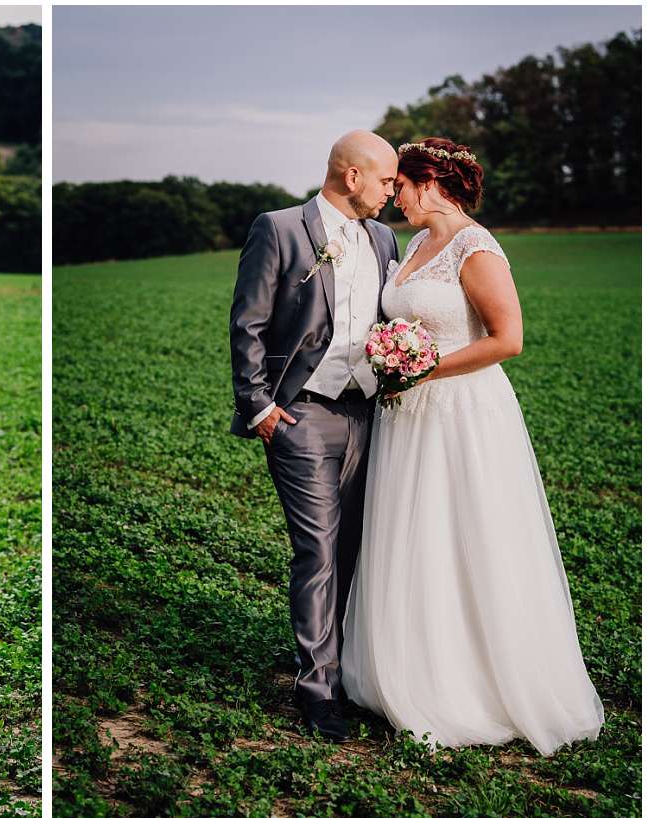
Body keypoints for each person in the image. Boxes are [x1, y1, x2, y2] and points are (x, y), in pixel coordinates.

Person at [341, 138, 604, 755]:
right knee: (411, 534)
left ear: (428, 183)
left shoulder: (477, 246)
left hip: (461, 411)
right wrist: (395, 361)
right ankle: (407, 668)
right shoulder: (412, 245)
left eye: (398, 186)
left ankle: (475, 683)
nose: (392, 197)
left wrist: (424, 369)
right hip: (407, 414)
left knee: (465, 533)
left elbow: (508, 339)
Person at [229, 131, 400, 742]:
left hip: (368, 412)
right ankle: (318, 691)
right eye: (385, 180)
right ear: (351, 176)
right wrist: (261, 407)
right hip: (300, 413)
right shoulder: (279, 228)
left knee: (356, 545)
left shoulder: (383, 237)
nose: (392, 191)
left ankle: (351, 672)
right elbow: (247, 322)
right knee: (319, 551)